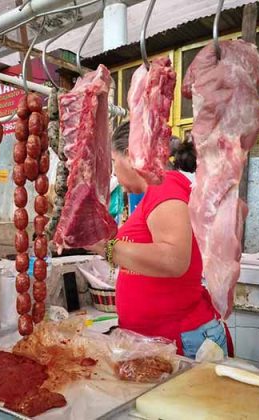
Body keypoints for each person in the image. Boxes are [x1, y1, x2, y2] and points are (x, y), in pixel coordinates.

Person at [87, 122, 233, 358]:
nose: (114, 174)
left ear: (130, 155)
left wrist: (104, 246)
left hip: (181, 339)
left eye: (114, 162)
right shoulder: (155, 193)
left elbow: (173, 259)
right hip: (160, 340)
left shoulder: (164, 185)